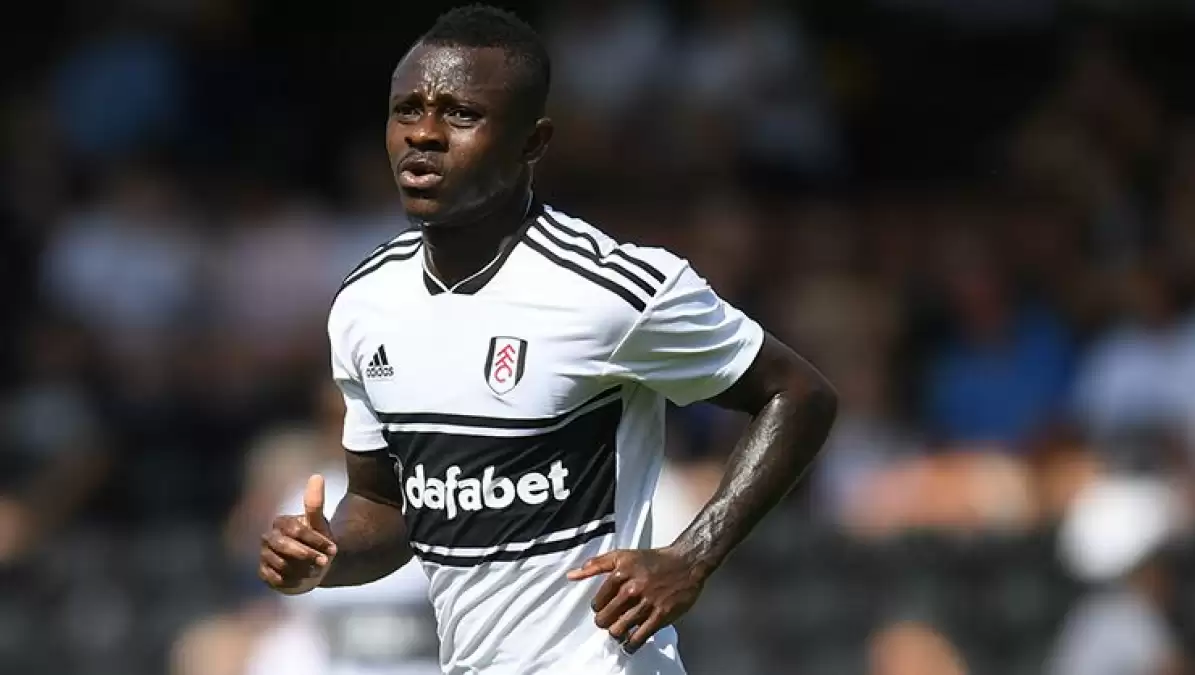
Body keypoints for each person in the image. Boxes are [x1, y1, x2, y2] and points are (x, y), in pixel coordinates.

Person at [257, 5, 838, 674]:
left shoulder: (609, 289)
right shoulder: (365, 302)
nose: (424, 134)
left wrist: (693, 554)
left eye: (461, 114)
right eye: (406, 110)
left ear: (532, 142)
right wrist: (324, 553)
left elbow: (799, 393)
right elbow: (386, 506)